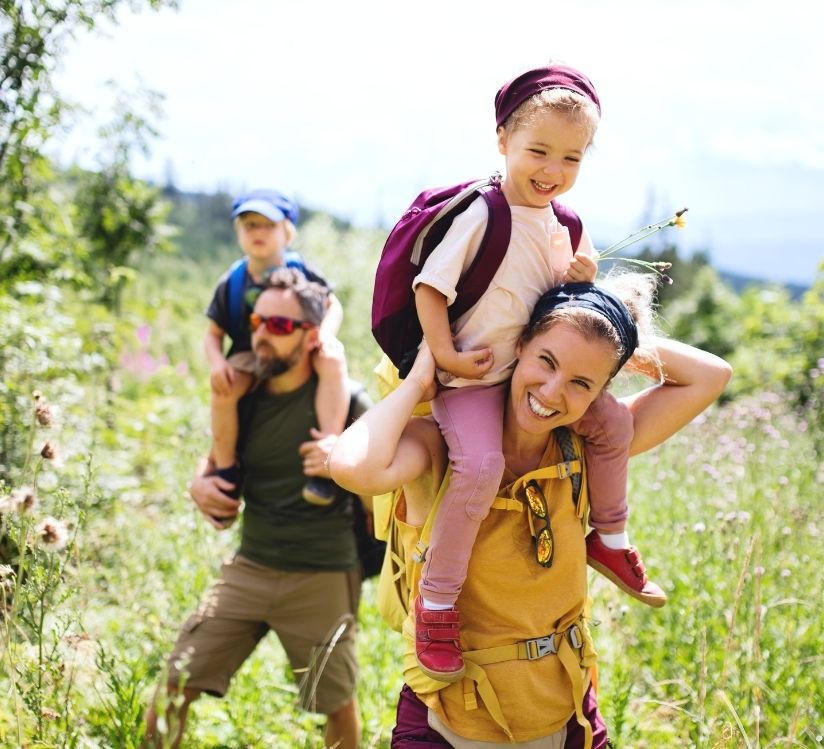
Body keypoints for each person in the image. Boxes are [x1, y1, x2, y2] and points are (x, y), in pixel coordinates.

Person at [331, 273, 732, 747]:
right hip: (447, 720)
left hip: (566, 716)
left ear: (600, 391)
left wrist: (609, 327)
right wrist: (418, 380)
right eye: (547, 360)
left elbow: (712, 375)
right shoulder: (441, 447)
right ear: (517, 344)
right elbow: (351, 466)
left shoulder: (587, 447)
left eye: (582, 382)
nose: (552, 392)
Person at [403, 63, 662, 681]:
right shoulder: (482, 213)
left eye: (571, 159)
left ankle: (611, 537)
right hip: (473, 378)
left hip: (529, 375)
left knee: (612, 427)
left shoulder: (564, 224)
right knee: (481, 465)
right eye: (538, 151)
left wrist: (580, 278)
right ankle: (437, 602)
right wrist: (444, 357)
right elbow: (430, 289)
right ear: (503, 142)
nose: (553, 170)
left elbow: (567, 307)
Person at [145, 268, 370, 749]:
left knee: (335, 702)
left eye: (280, 326)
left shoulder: (348, 402)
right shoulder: (244, 395)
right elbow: (214, 461)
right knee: (174, 684)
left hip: (323, 572)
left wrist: (346, 467)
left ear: (312, 337)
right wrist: (197, 485)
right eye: (257, 321)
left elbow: (385, 488)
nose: (262, 334)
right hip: (250, 565)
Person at [205, 189, 349, 506]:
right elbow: (213, 333)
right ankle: (227, 470)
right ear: (238, 232)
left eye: (267, 225)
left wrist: (325, 335)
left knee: (332, 362)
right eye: (249, 225)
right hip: (249, 352)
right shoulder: (232, 281)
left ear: (287, 232)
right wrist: (217, 363)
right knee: (224, 391)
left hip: (298, 346)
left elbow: (332, 305)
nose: (258, 233)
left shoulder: (303, 271)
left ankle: (325, 454)